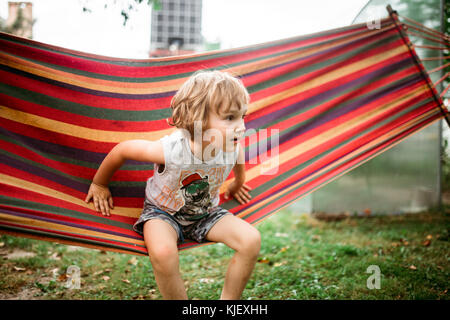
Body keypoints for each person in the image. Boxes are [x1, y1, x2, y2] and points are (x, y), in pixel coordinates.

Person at [84, 70, 261, 300]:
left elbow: (238, 160)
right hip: (162, 213)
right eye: (230, 118)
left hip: (205, 213)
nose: (241, 126)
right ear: (199, 119)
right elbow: (123, 149)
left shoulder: (231, 144)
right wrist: (100, 184)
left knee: (251, 240)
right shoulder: (172, 150)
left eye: (242, 116)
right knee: (163, 252)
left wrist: (238, 183)